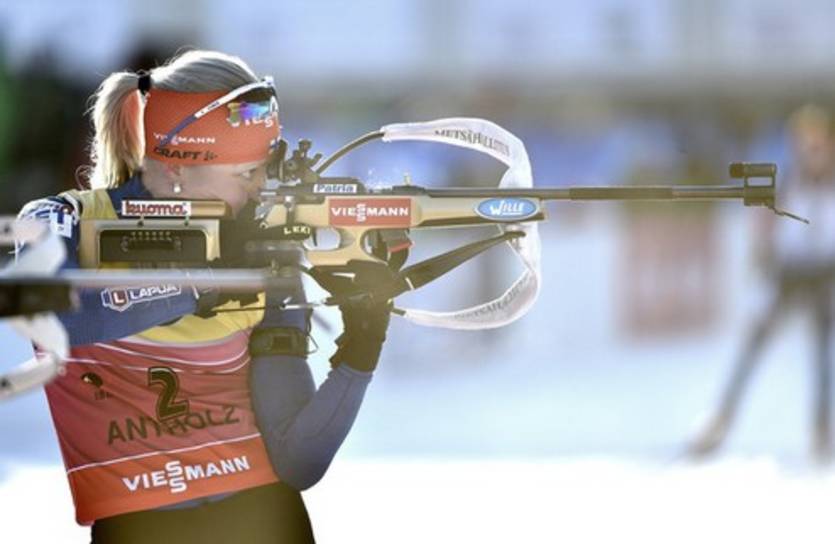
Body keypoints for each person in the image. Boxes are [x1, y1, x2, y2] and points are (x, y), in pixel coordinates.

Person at [17, 49, 391, 543]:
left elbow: (298, 460)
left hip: (265, 523)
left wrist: (364, 338)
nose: (261, 189)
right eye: (245, 174)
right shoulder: (63, 219)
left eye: (265, 169)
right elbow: (55, 317)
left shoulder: (260, 247)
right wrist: (203, 282)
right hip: (139, 530)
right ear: (179, 168)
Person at [688, 104, 835, 461]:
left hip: (824, 273)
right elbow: (768, 227)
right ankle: (720, 420)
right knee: (754, 346)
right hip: (790, 273)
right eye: (803, 141)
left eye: (816, 141)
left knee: (821, 355)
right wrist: (764, 258)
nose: (810, 148)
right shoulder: (790, 179)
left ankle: (821, 432)